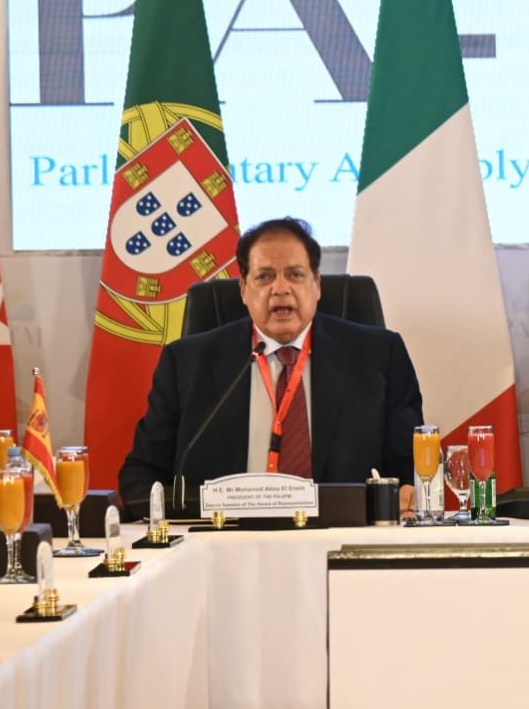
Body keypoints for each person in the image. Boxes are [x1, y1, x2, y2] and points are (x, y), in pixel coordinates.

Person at [119, 217, 423, 517]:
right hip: (223, 539)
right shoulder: (186, 363)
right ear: (243, 289)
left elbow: (412, 468)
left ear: (317, 286)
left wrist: (408, 494)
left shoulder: (379, 356)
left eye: (295, 274)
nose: (280, 288)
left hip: (340, 535)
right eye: (264, 277)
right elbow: (141, 476)